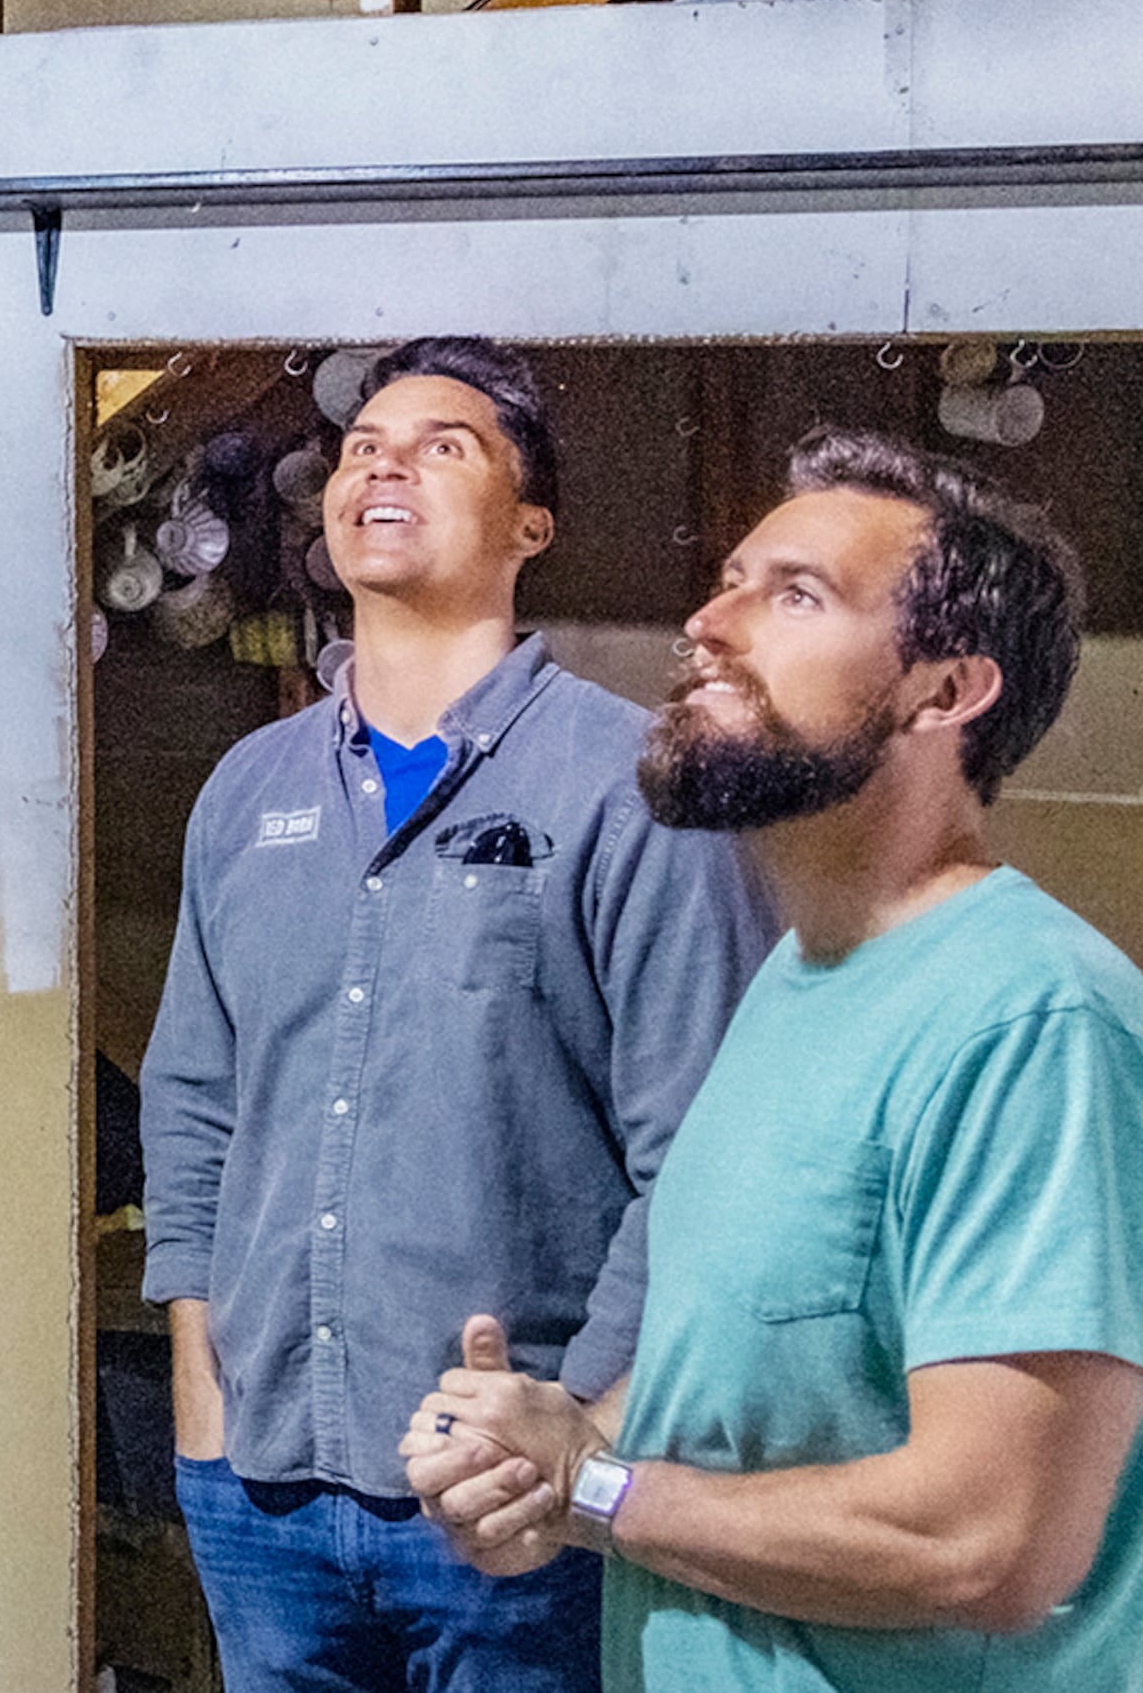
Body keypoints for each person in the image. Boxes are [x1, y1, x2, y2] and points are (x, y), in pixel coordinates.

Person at [402, 430, 1143, 1693]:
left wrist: (595, 1485)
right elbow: (724, 1402)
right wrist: (540, 1458)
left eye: (795, 594)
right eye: (729, 579)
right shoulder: (796, 977)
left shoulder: (1035, 1022)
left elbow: (987, 1541)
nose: (709, 623)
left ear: (946, 693)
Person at [141, 337, 771, 1693]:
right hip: (262, 1491)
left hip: (508, 1507)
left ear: (529, 525)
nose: (384, 460)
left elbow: (706, 1154)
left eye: (446, 445)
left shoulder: (628, 790)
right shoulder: (250, 793)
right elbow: (193, 1101)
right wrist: (202, 1384)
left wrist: (585, 1432)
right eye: (365, 443)